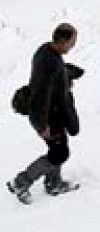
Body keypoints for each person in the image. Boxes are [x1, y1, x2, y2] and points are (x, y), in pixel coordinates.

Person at [8, 23, 82, 205]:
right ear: (63, 41)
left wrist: (68, 73)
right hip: (48, 116)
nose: (73, 46)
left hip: (55, 113)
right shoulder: (49, 62)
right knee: (59, 153)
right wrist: (42, 126)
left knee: (59, 146)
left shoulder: (47, 51)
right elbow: (41, 95)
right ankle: (20, 182)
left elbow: (54, 76)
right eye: (72, 42)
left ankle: (53, 183)